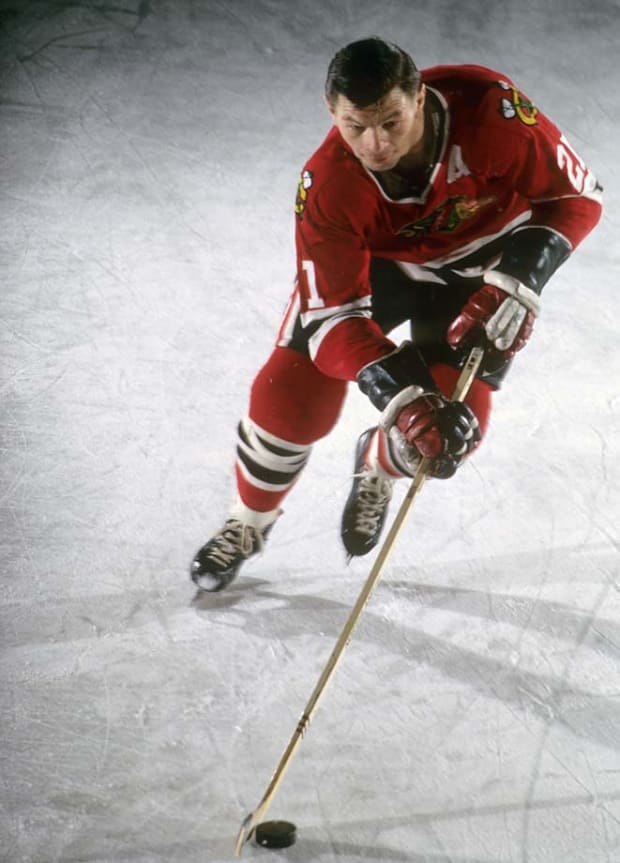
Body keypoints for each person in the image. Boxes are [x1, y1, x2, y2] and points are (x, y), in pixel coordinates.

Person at [191, 37, 602, 592]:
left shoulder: (490, 108)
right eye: (355, 126)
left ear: (419, 96)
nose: (376, 144)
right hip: (381, 270)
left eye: (391, 121)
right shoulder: (327, 184)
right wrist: (404, 400)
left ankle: (382, 460)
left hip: (481, 269)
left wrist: (520, 278)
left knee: (455, 434)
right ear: (331, 113)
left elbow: (576, 197)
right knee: (289, 390)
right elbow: (333, 318)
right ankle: (248, 520)